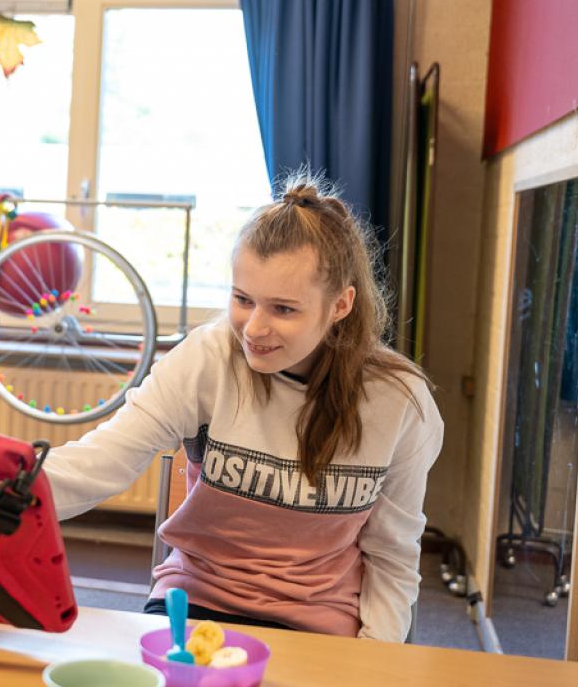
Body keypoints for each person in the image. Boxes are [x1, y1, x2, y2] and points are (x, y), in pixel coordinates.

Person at [43, 174, 443, 642]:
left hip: (321, 620)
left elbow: (392, 557)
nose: (253, 328)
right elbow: (101, 463)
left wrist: (374, 662)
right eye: (242, 300)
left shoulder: (401, 402)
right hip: (196, 602)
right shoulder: (208, 358)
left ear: (341, 305)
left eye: (283, 309)